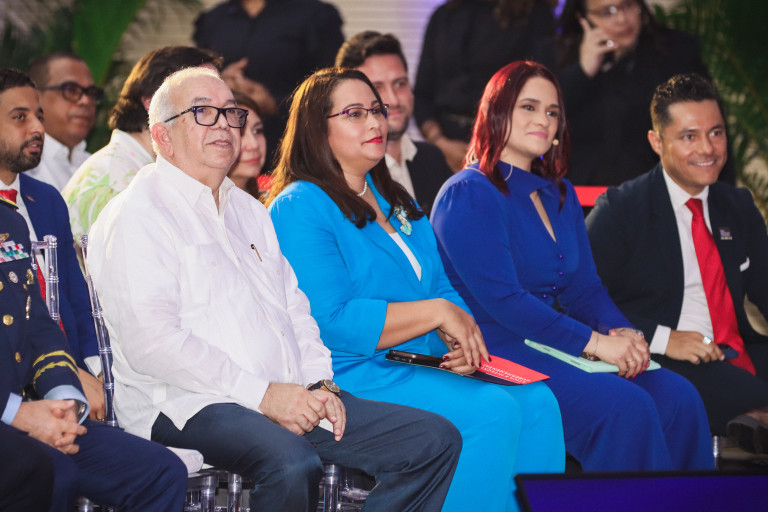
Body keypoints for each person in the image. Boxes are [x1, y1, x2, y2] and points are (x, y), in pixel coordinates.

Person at [86, 67, 461, 512]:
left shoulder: (248, 211)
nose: (224, 124)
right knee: (290, 462)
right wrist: (263, 395)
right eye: (203, 112)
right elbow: (153, 343)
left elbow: (296, 311)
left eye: (231, 112)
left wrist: (320, 383)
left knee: (433, 440)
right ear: (162, 137)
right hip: (188, 400)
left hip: (287, 392)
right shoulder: (138, 213)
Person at [267, 67, 565, 512]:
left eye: (376, 110)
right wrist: (438, 314)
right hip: (352, 372)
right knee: (492, 414)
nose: (374, 122)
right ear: (316, 129)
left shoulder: (394, 197)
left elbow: (440, 284)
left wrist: (461, 340)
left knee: (540, 404)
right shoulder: (299, 206)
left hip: (423, 360)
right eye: (354, 113)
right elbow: (330, 321)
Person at [430, 61, 713, 471]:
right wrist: (594, 343)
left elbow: (584, 288)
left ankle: (689, 500)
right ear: (496, 113)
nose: (543, 120)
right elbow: (505, 301)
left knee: (679, 397)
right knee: (624, 408)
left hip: (552, 339)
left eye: (552, 111)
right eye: (528, 107)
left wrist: (624, 333)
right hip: (492, 347)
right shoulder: (468, 193)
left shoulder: (559, 192)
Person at [585, 74, 768, 447]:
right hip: (664, 358)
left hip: (737, 349)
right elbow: (580, 301)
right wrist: (665, 339)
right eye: (689, 136)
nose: (708, 148)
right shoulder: (621, 209)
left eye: (716, 133)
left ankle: (752, 422)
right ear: (657, 142)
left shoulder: (737, 206)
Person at [0, 165, 187, 511]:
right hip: (10, 414)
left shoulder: (9, 222)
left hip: (35, 407)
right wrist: (15, 413)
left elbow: (38, 327)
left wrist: (63, 398)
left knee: (161, 472)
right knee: (53, 473)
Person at [0, 67, 108, 420]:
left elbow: (77, 296)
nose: (37, 128)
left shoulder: (46, 199)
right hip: (17, 388)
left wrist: (94, 370)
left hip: (71, 375)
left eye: (39, 116)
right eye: (20, 117)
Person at [555, 0, 732, 186]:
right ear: (582, 17)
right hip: (582, 193)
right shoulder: (557, 56)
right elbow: (548, 122)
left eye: (628, 5)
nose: (622, 19)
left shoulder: (676, 52)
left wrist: (722, 195)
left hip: (660, 189)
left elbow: (712, 122)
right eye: (607, 12)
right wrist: (582, 71)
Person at [63, 45, 222, 241]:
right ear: (154, 103)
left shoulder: (146, 170)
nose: (220, 119)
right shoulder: (116, 183)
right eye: (202, 106)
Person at [194, 0, 345, 170]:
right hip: (225, 145)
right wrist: (219, 80)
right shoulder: (214, 19)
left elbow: (333, 89)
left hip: (293, 145)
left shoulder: (315, 15)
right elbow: (197, 80)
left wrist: (275, 104)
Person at [414, 0, 556, 171]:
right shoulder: (444, 16)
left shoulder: (533, 14)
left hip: (504, 149)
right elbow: (422, 93)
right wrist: (439, 143)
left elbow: (542, 90)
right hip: (444, 147)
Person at [335, 31, 453, 214]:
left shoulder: (432, 158)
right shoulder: (346, 176)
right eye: (377, 88)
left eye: (400, 83)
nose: (394, 100)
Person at [25, 52, 102, 190]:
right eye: (70, 90)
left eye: (91, 92)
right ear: (34, 97)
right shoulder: (19, 166)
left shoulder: (100, 167)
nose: (85, 101)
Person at [228, 90, 267, 198]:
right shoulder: (196, 204)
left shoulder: (269, 201)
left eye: (257, 131)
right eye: (240, 133)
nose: (254, 145)